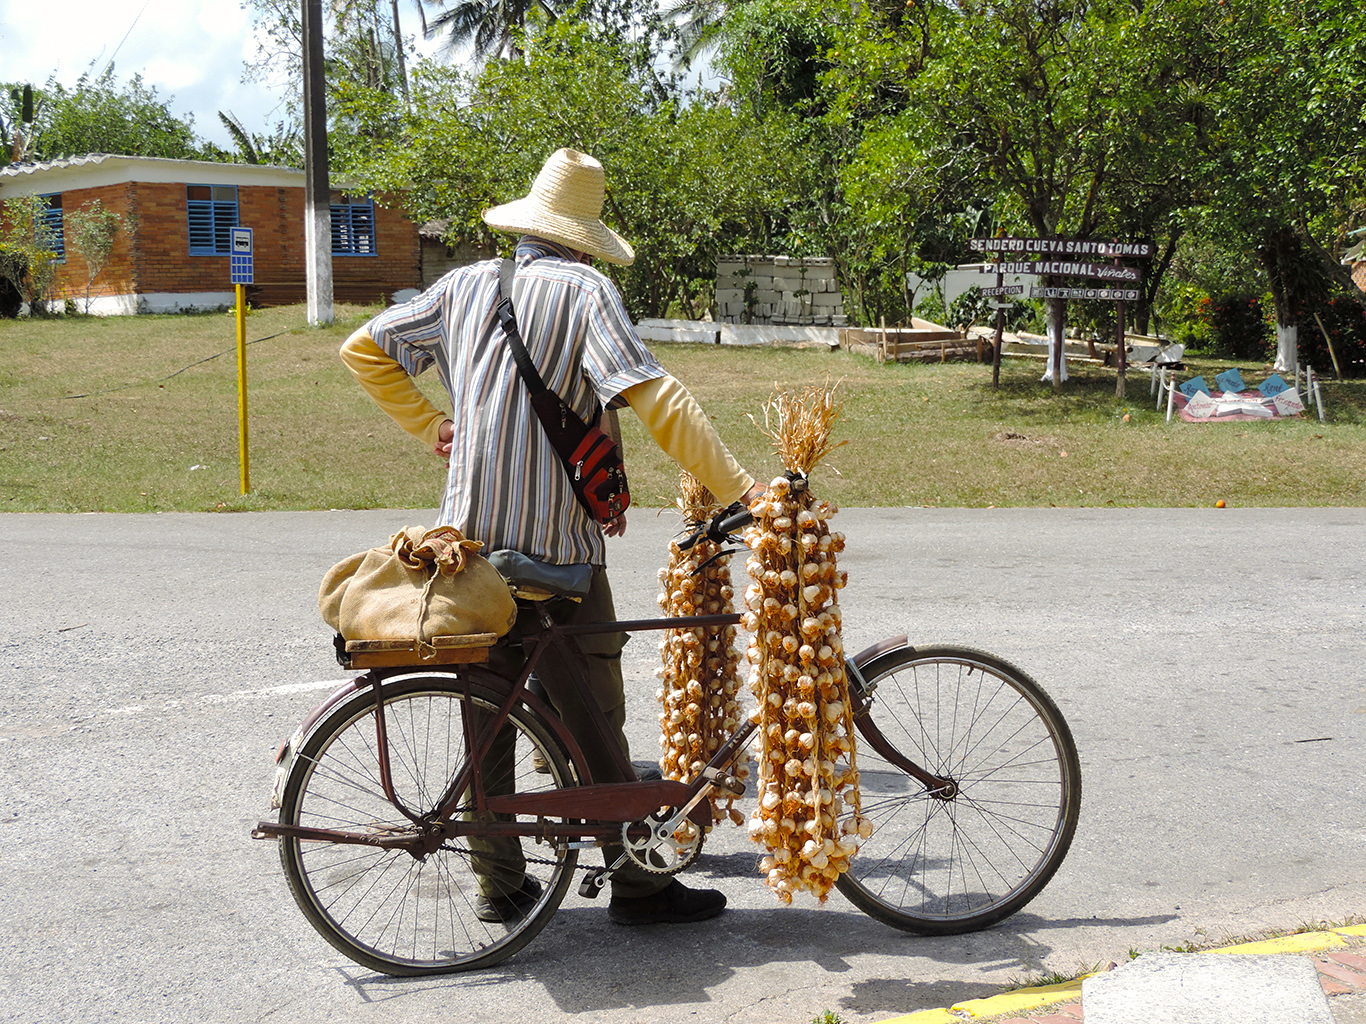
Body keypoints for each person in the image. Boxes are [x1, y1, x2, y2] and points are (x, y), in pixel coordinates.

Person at [340, 148, 764, 926]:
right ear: (584, 236)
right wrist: (744, 488)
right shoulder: (585, 290)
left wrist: (429, 422)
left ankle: (499, 884)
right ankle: (638, 883)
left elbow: (362, 347)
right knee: (593, 712)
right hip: (557, 555)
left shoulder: (464, 284)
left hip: (465, 553)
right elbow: (653, 397)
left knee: (486, 708)